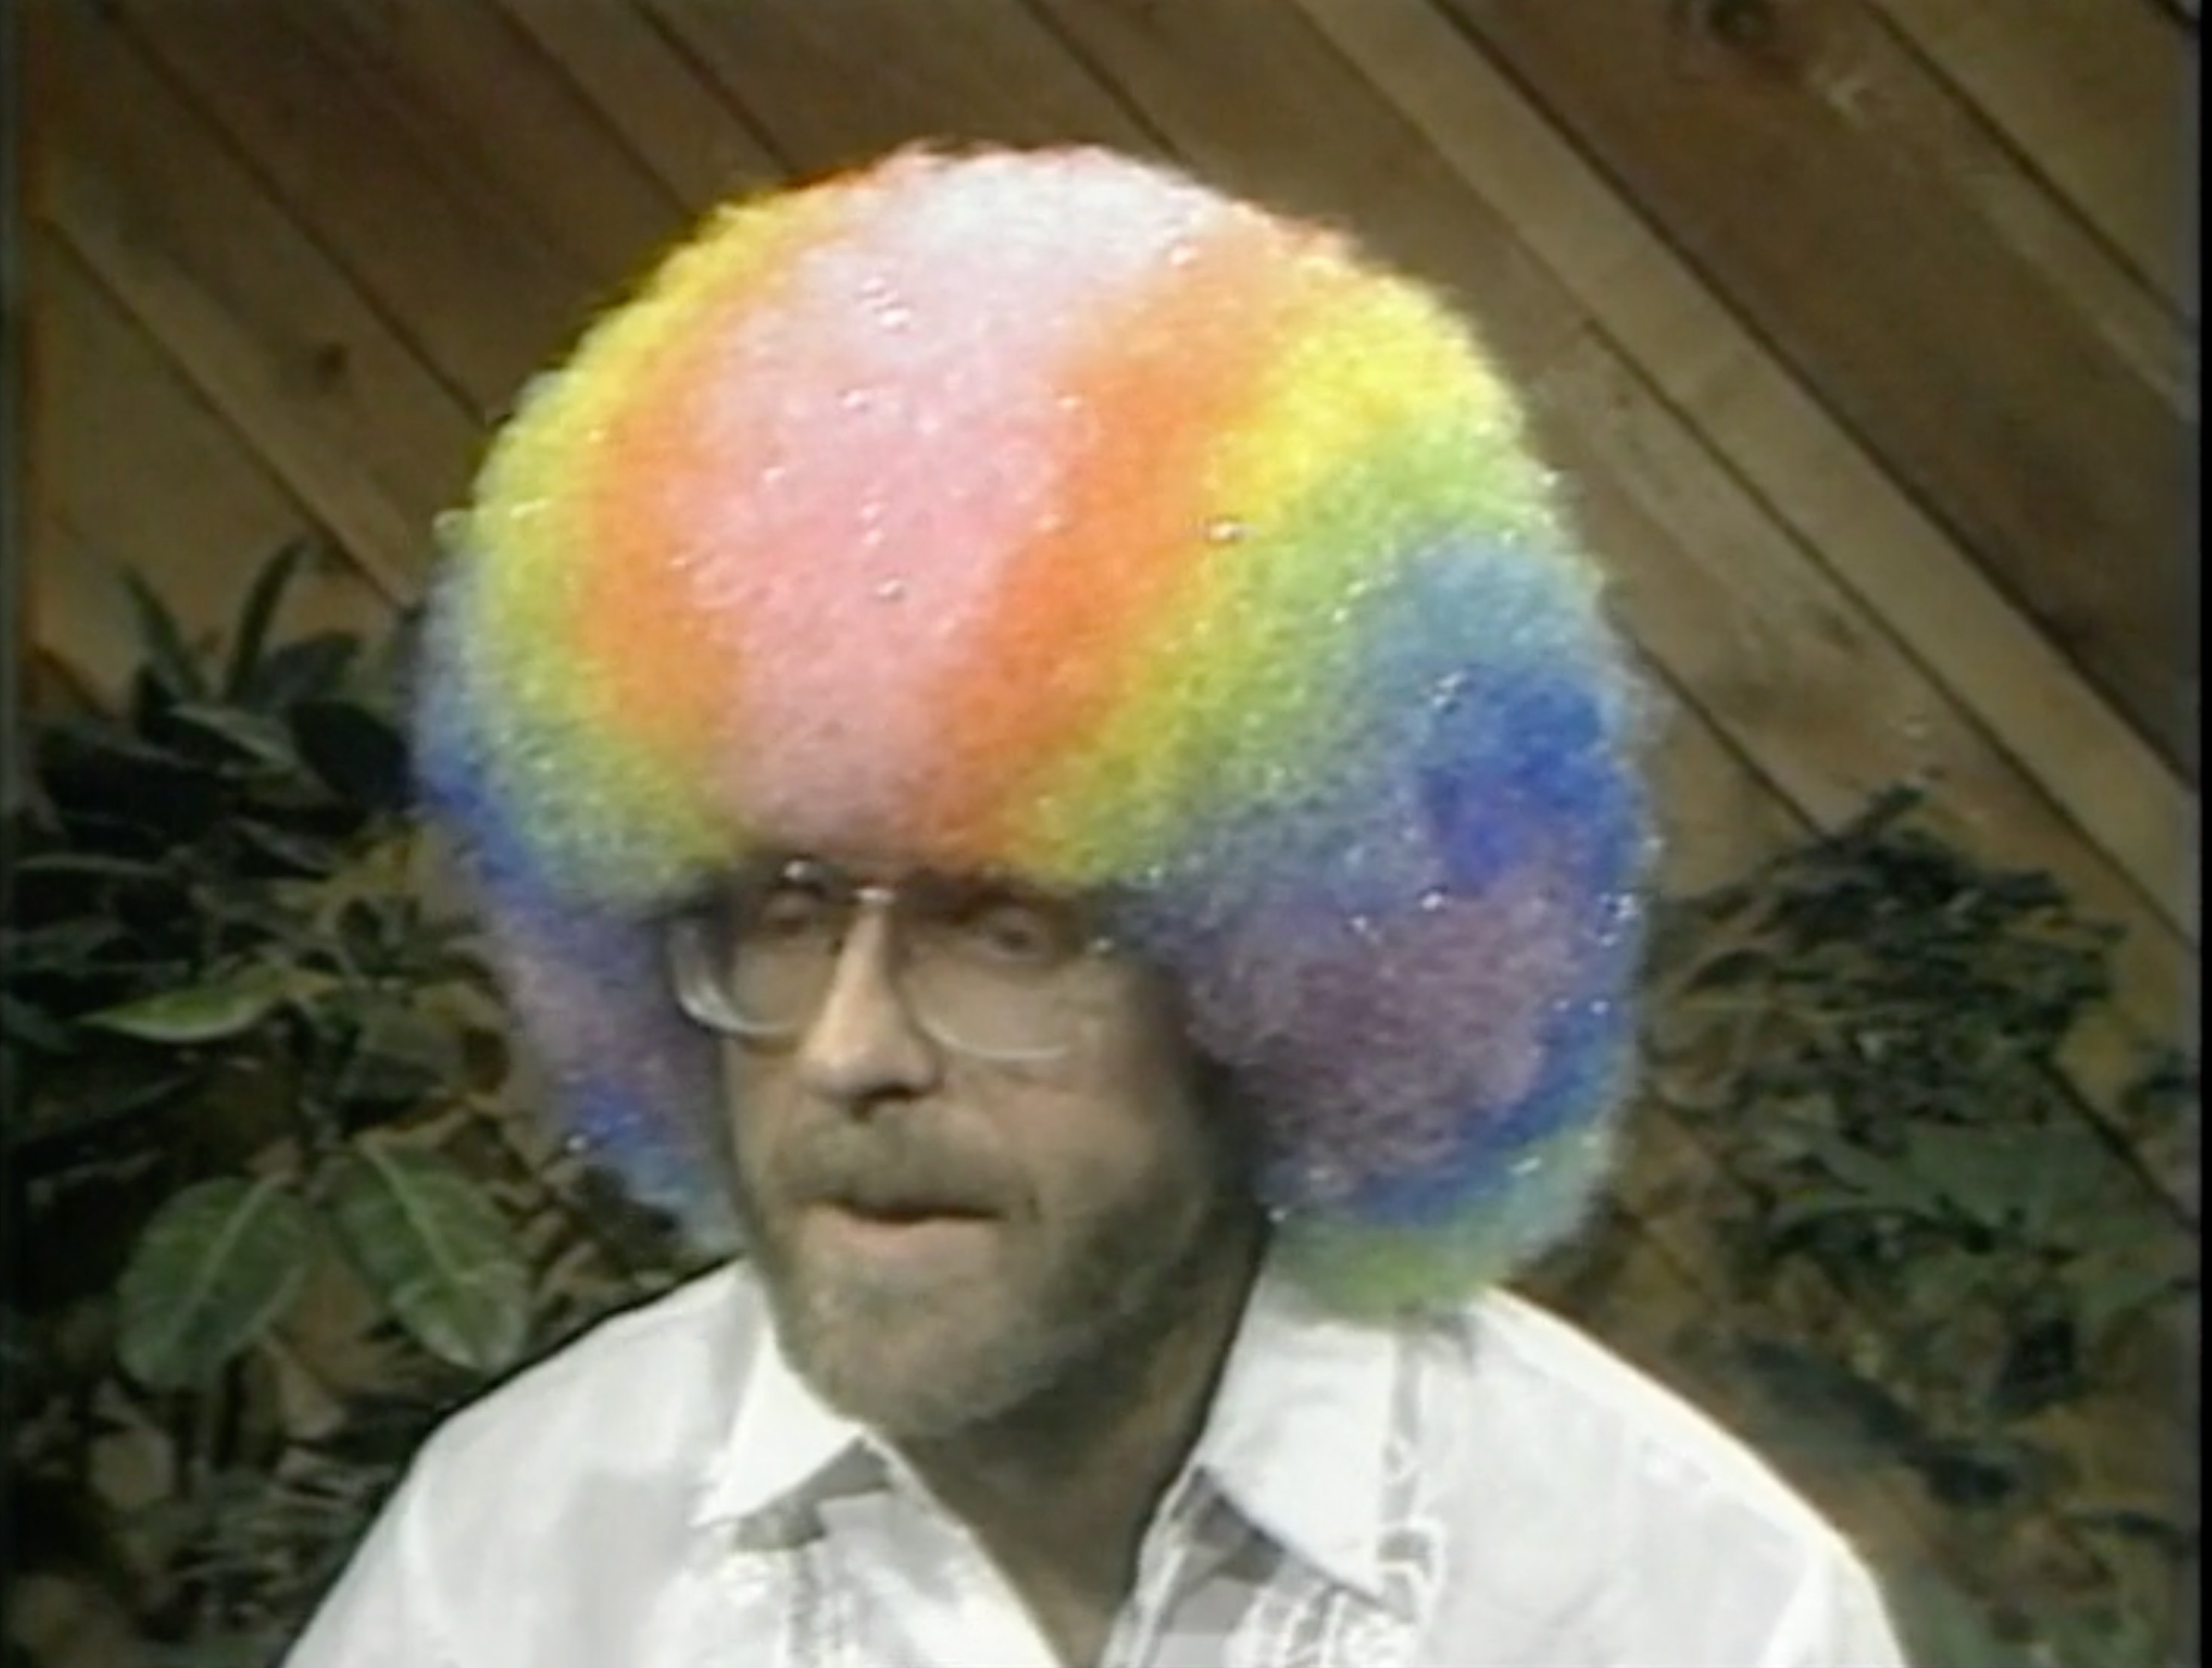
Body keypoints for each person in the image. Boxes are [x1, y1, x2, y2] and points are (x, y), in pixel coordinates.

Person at [284, 143, 1911, 1668]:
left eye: (1002, 926)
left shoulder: (1668, 1604)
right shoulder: (516, 1570)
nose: (848, 1049)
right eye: (780, 913)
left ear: (1272, 978)